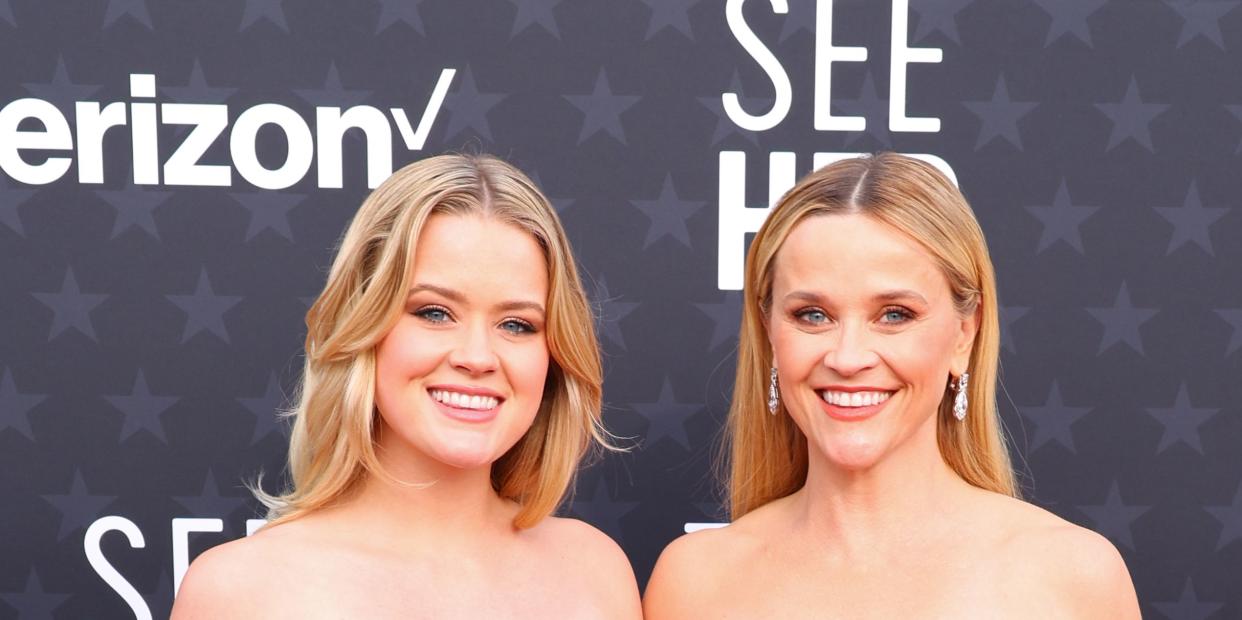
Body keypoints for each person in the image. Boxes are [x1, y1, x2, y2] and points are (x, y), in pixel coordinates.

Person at [644, 153, 1139, 618]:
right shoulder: (695, 583)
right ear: (769, 332)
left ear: (964, 334)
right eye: (812, 315)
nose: (848, 356)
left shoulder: (1073, 577)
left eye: (895, 315)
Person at [172, 154, 641, 618]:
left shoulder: (594, 572)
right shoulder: (241, 590)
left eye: (516, 325)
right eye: (434, 313)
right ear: (362, 323)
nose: (477, 357)